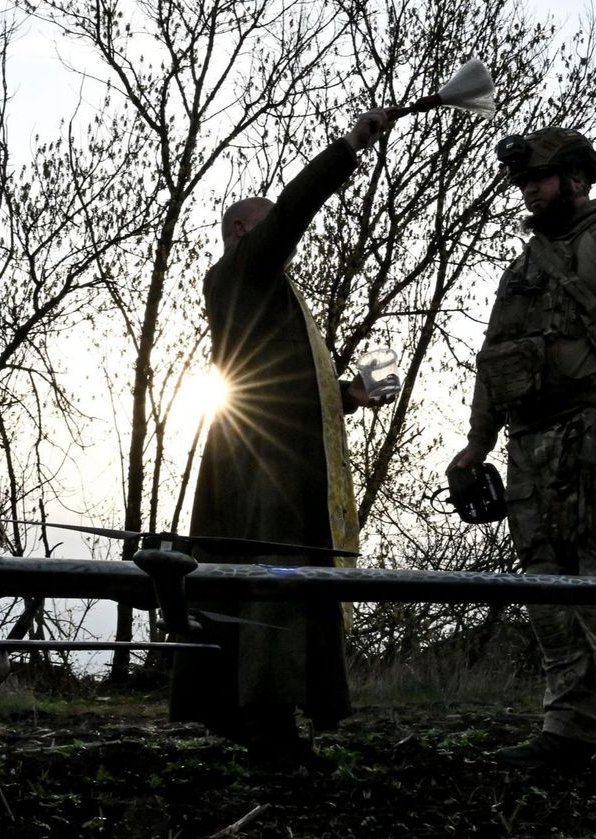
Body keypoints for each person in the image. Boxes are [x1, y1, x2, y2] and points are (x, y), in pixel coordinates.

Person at [169, 107, 399, 765]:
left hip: (276, 459)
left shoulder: (265, 298)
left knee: (288, 582)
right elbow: (297, 207)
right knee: (270, 582)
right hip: (259, 469)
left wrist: (350, 395)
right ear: (244, 232)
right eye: (272, 229)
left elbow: (284, 390)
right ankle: (267, 726)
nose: (285, 242)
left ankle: (269, 718)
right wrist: (348, 147)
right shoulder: (239, 271)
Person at [446, 127, 596, 776]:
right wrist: (477, 440)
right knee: (546, 592)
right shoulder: (522, 267)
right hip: (531, 448)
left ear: (575, 178)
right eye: (524, 182)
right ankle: (567, 727)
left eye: (539, 179)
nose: (528, 191)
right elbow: (495, 358)